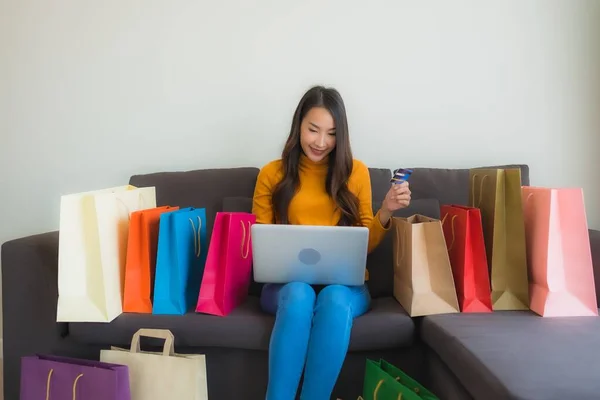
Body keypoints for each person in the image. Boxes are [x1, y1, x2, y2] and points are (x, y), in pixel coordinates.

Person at [251, 85, 411, 400]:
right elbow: (261, 241)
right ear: (298, 126)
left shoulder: (356, 173)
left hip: (345, 288)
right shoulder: (272, 174)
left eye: (332, 133)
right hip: (285, 286)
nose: (321, 142)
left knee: (335, 300)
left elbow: (364, 245)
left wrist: (386, 211)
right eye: (313, 130)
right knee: (299, 293)